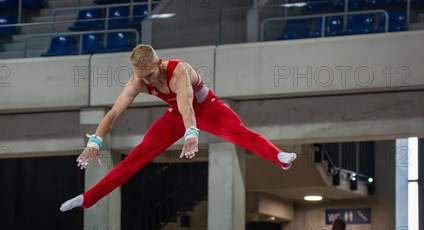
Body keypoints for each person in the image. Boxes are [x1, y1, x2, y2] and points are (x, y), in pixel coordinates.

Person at [60, 44, 297, 212]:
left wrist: (191, 132)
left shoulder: (179, 70)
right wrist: (96, 141)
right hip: (175, 116)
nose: (148, 81)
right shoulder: (137, 82)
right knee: (136, 156)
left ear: (158, 62)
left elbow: (187, 104)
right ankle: (88, 198)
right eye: (142, 76)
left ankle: (280, 158)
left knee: (241, 134)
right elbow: (113, 113)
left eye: (150, 74)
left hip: (206, 108)